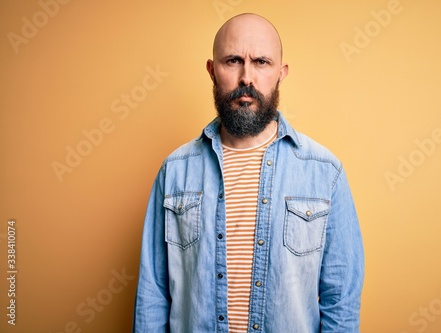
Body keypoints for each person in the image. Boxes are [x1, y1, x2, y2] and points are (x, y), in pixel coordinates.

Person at [133, 13, 364, 333]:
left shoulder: (325, 173)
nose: (247, 77)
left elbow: (341, 301)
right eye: (233, 61)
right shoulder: (175, 171)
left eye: (261, 62)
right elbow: (153, 292)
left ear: (280, 73)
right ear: (212, 71)